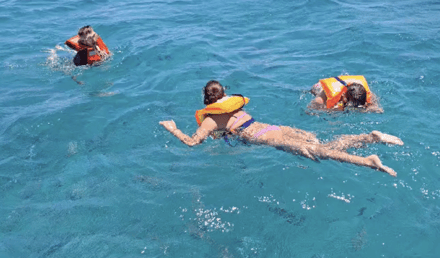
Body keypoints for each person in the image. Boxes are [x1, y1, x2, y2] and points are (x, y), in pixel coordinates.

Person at [159, 80, 403, 176]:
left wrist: (173, 129)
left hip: (265, 137)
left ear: (206, 98)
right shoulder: (231, 103)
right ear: (223, 93)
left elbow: (193, 142)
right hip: (273, 127)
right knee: (320, 144)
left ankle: (368, 161)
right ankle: (369, 137)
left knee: (318, 152)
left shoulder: (212, 118)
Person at [308, 75, 383, 113]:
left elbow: (376, 107)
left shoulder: (364, 93)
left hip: (345, 85)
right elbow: (311, 109)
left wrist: (370, 108)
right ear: (343, 96)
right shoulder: (322, 97)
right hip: (319, 87)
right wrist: (331, 111)